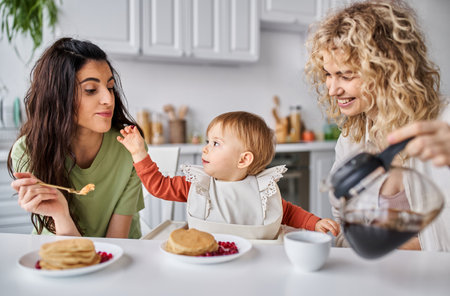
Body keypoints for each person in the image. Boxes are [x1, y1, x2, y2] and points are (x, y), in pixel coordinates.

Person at [305, 0, 450, 251]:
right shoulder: (352, 136)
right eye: (328, 74)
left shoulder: (443, 123)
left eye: (346, 75)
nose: (332, 89)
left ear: (387, 69)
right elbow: (343, 223)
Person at [117, 111, 340, 239]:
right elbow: (158, 186)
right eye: (207, 142)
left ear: (243, 160)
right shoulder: (197, 185)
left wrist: (314, 223)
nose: (205, 148)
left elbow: (288, 212)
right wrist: (138, 152)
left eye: (215, 143)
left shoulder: (262, 189)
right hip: (208, 259)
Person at [8, 37, 145, 238]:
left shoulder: (130, 145)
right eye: (91, 90)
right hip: (59, 251)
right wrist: (60, 213)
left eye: (110, 87)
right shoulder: (28, 150)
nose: (108, 99)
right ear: (58, 96)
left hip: (119, 255)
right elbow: (70, 254)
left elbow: (117, 244)